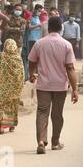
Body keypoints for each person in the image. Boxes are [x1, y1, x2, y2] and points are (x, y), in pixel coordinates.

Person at [28, 17, 79, 154]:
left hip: (43, 84)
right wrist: (75, 89)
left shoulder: (39, 43)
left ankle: (41, 141)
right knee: (57, 114)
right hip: (60, 85)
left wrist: (31, 74)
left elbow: (32, 61)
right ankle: (55, 142)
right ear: (61, 28)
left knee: (42, 112)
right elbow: (70, 68)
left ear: (48, 27)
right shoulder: (66, 45)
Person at [0, 39, 25, 134]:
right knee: (13, 106)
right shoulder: (18, 58)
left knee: (1, 105)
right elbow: (22, 74)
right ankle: (11, 126)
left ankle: (2, 127)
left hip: (1, 87)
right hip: (15, 88)